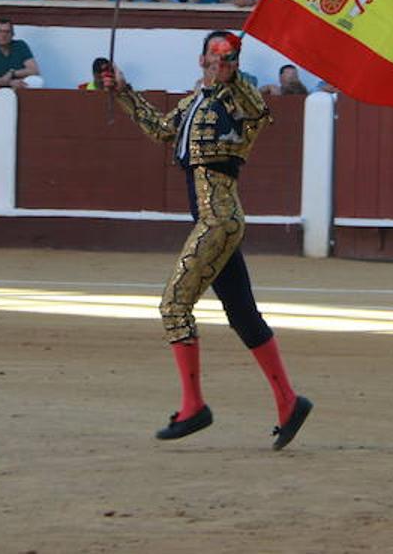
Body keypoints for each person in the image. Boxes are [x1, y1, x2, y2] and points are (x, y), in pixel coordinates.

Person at [100, 31, 313, 447]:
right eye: (213, 53)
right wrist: (124, 91)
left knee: (174, 305)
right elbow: (162, 130)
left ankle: (193, 405)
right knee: (243, 315)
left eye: (226, 54)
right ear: (201, 60)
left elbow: (257, 110)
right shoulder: (194, 101)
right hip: (215, 220)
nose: (219, 60)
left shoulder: (240, 97)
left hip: (218, 220)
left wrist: (232, 72)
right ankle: (289, 401)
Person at [0, 17, 42, 87]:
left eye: (7, 32)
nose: (4, 35)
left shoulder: (20, 45)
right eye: (1, 31)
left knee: (37, 81)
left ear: (13, 34)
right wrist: (7, 82)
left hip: (19, 87)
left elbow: (34, 70)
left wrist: (12, 73)